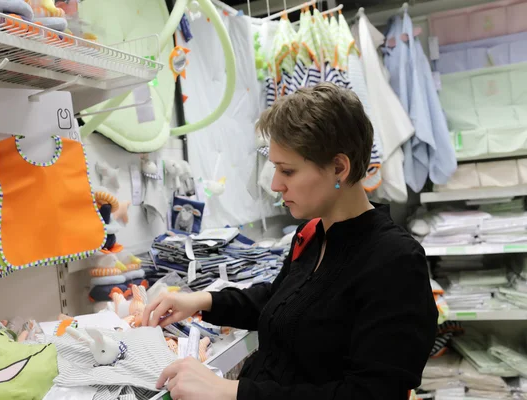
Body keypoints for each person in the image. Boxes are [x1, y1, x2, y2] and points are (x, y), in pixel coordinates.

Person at [142, 82, 438, 400]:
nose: (275, 184)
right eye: (275, 168)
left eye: (288, 171)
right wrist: (200, 302)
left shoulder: (394, 262)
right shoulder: (311, 235)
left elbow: (371, 394)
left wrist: (231, 391)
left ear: (339, 167)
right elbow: (281, 301)